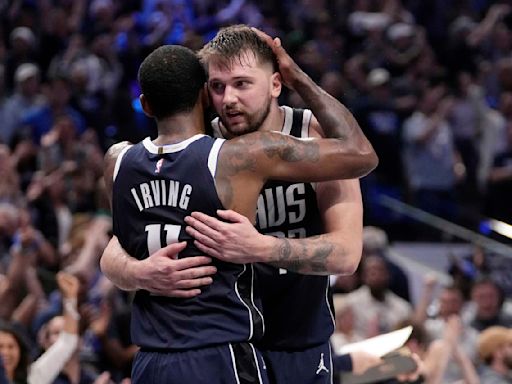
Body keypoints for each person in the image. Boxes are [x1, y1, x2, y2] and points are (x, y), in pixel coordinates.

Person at [101, 25, 372, 383]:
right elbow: (118, 246)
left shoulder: (315, 136)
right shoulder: (203, 146)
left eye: (242, 84)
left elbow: (347, 254)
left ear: (276, 84)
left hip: (297, 341)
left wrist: (261, 247)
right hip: (228, 344)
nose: (228, 99)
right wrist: (138, 273)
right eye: (217, 87)